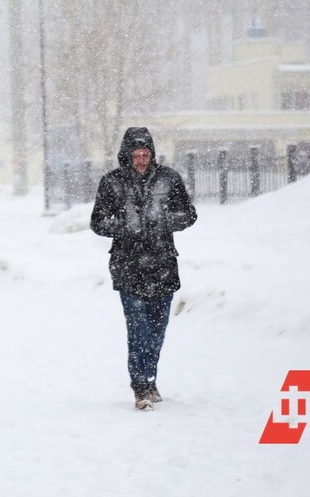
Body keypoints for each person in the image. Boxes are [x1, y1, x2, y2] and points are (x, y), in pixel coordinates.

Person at [90, 127, 197, 411]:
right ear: (126, 155)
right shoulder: (112, 182)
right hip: (128, 266)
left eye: (145, 154)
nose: (141, 160)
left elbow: (189, 214)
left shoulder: (169, 179)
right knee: (139, 330)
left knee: (157, 331)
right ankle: (141, 386)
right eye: (136, 155)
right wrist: (125, 226)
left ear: (152, 154)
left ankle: (150, 380)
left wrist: (164, 221)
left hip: (163, 265)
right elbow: (97, 221)